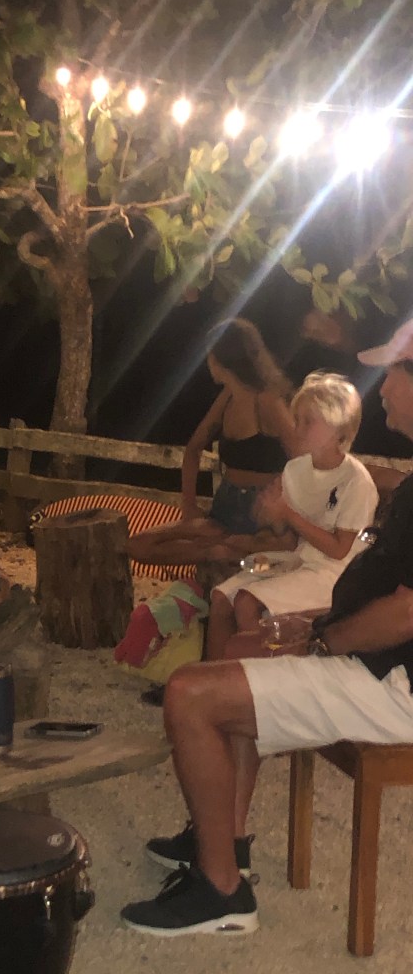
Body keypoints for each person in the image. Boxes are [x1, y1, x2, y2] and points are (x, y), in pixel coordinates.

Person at [120, 316, 413, 939]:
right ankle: (225, 841)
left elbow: (405, 613)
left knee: (190, 693)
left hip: (397, 687)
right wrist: (318, 622)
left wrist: (325, 638)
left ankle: (222, 891)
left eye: (393, 373)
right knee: (240, 655)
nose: (383, 388)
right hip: (382, 664)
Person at [204, 372, 378, 660]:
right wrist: (272, 516)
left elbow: (339, 550)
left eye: (309, 421)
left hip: (336, 574)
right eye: (298, 419)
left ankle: (255, 679)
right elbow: (287, 538)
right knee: (222, 598)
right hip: (299, 559)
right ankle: (213, 676)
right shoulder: (295, 470)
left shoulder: (356, 481)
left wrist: (288, 514)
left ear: (340, 428)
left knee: (247, 601)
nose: (298, 428)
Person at [128, 318, 301, 568]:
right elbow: (193, 449)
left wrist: (281, 506)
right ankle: (228, 551)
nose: (208, 362)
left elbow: (302, 457)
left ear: (223, 359)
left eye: (210, 355)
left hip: (260, 511)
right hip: (225, 508)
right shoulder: (227, 396)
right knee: (139, 544)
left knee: (243, 557)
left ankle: (249, 550)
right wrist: (189, 505)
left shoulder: (267, 400)